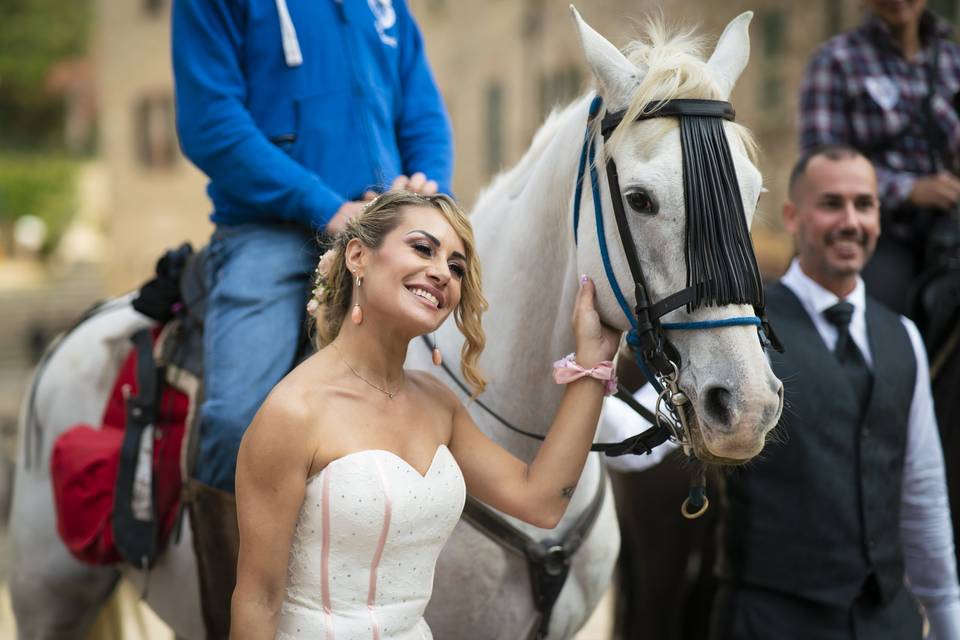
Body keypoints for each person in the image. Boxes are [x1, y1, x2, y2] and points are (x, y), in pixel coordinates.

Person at [228, 191, 619, 638]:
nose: (441, 273)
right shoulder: (294, 412)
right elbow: (258, 598)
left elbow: (542, 501)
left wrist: (593, 364)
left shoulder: (438, 403)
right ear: (358, 255)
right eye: (422, 248)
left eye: (456, 267)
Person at [171, 0, 453, 496]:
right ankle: (228, 573)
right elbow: (209, 122)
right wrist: (327, 206)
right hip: (267, 230)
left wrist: (427, 195)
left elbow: (423, 113)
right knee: (239, 418)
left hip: (382, 230)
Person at [709, 144, 960, 639]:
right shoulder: (746, 331)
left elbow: (922, 492)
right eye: (831, 204)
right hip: (768, 622)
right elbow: (655, 436)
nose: (850, 220)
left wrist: (949, 619)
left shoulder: (904, 337)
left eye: (863, 204)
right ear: (792, 216)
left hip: (887, 623)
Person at [798, 0, 960, 317]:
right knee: (879, 313)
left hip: (950, 227)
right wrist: (910, 190)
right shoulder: (835, 61)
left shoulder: (953, 61)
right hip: (875, 231)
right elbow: (820, 165)